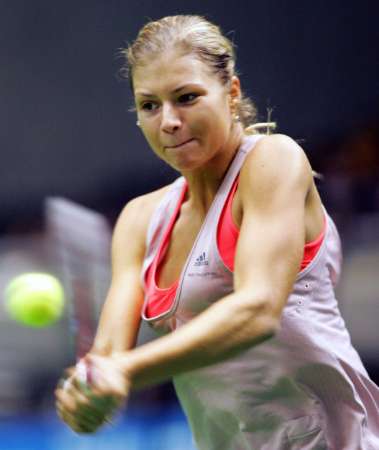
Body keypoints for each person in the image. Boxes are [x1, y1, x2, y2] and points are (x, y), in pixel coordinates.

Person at [55, 15, 379, 450]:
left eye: (186, 97)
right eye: (149, 105)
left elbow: (257, 310)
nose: (168, 120)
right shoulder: (139, 220)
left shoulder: (272, 161)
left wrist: (125, 371)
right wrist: (88, 396)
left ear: (232, 93)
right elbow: (110, 362)